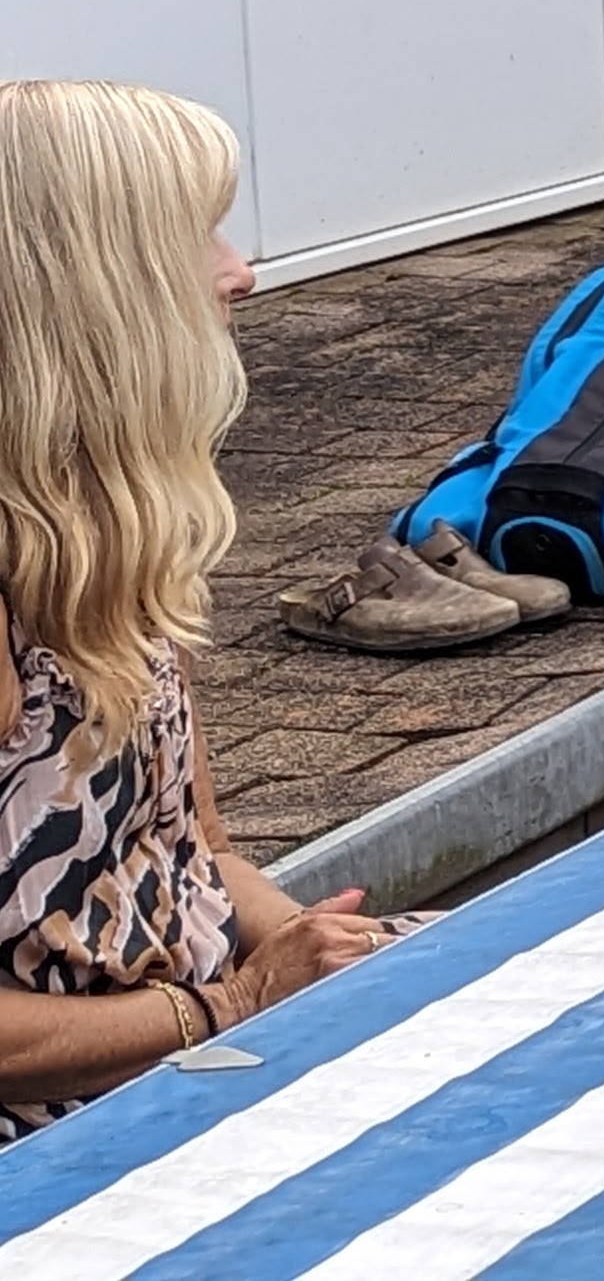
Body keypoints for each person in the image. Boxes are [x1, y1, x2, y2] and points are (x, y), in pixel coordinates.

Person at [0, 81, 394, 1140]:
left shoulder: (105, 533)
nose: (240, 271)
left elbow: (195, 854)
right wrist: (231, 1005)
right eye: (197, 236)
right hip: (73, 1153)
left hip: (195, 1068)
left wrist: (332, 954)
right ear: (92, 286)